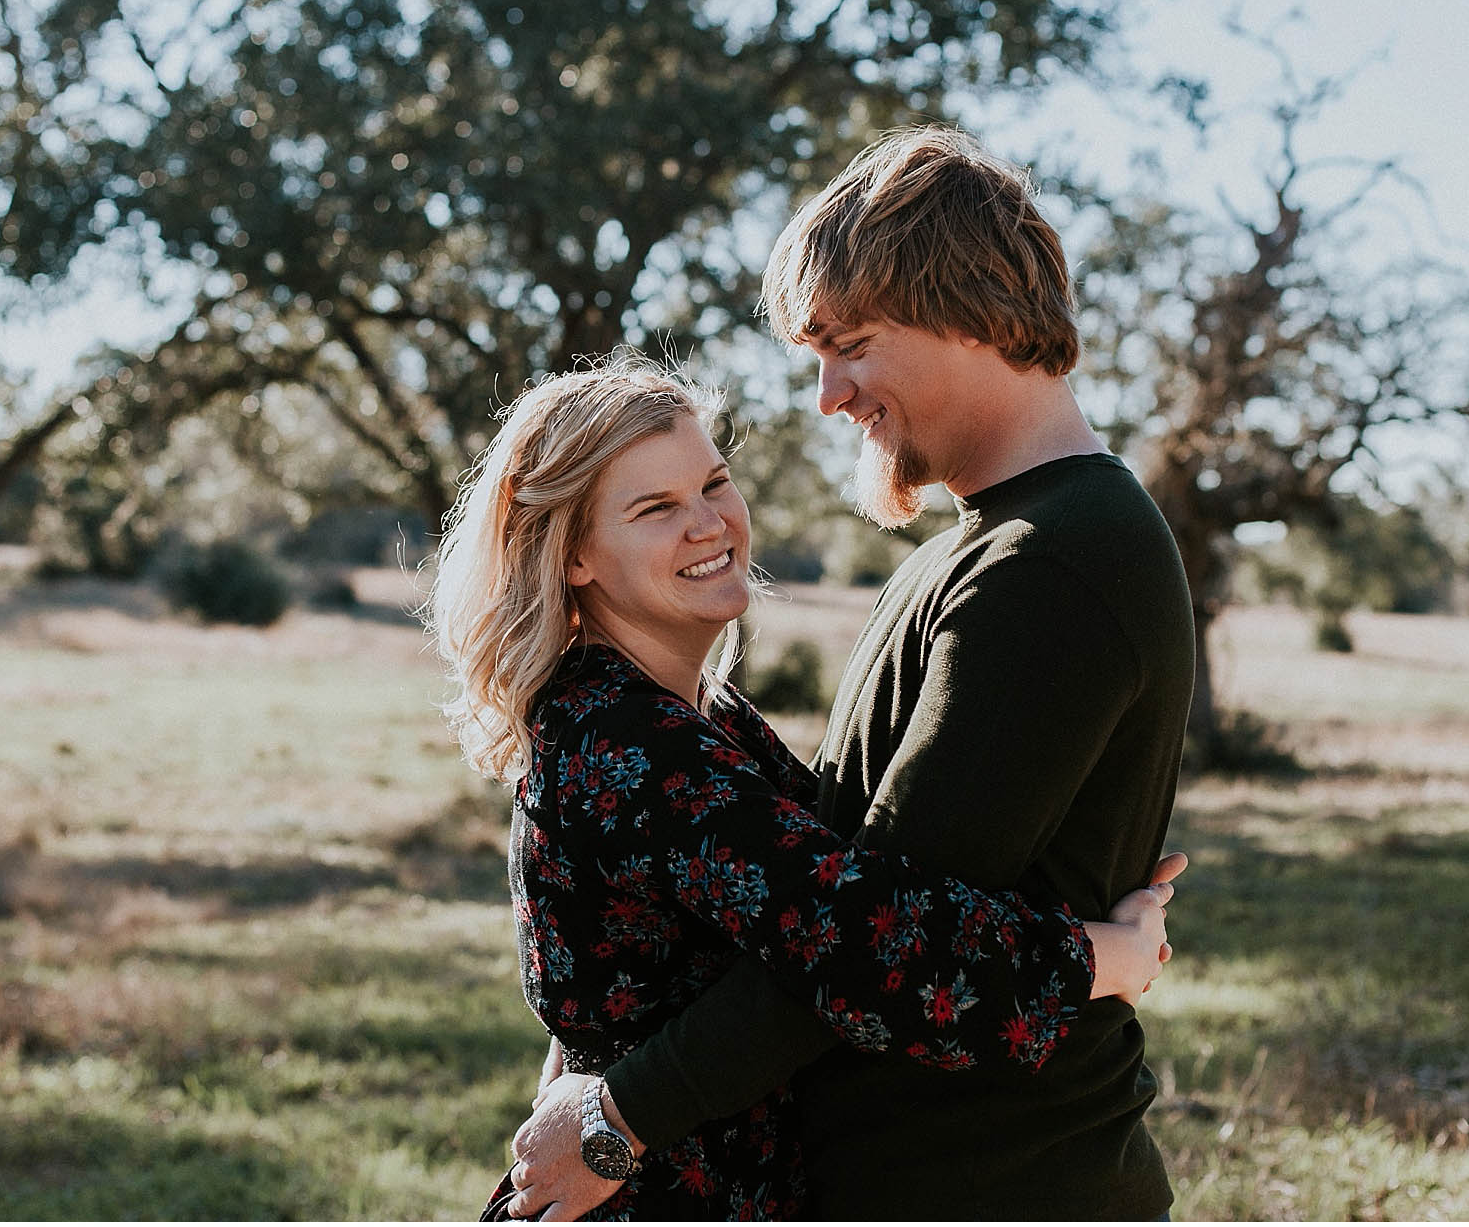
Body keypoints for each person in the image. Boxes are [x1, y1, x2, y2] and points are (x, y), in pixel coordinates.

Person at [503, 127, 1199, 1223]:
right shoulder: (965, 554)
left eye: (851, 343)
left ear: (966, 315)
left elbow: (869, 937)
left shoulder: (1055, 560)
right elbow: (824, 904)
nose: (829, 395)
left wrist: (618, 1115)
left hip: (995, 1183)